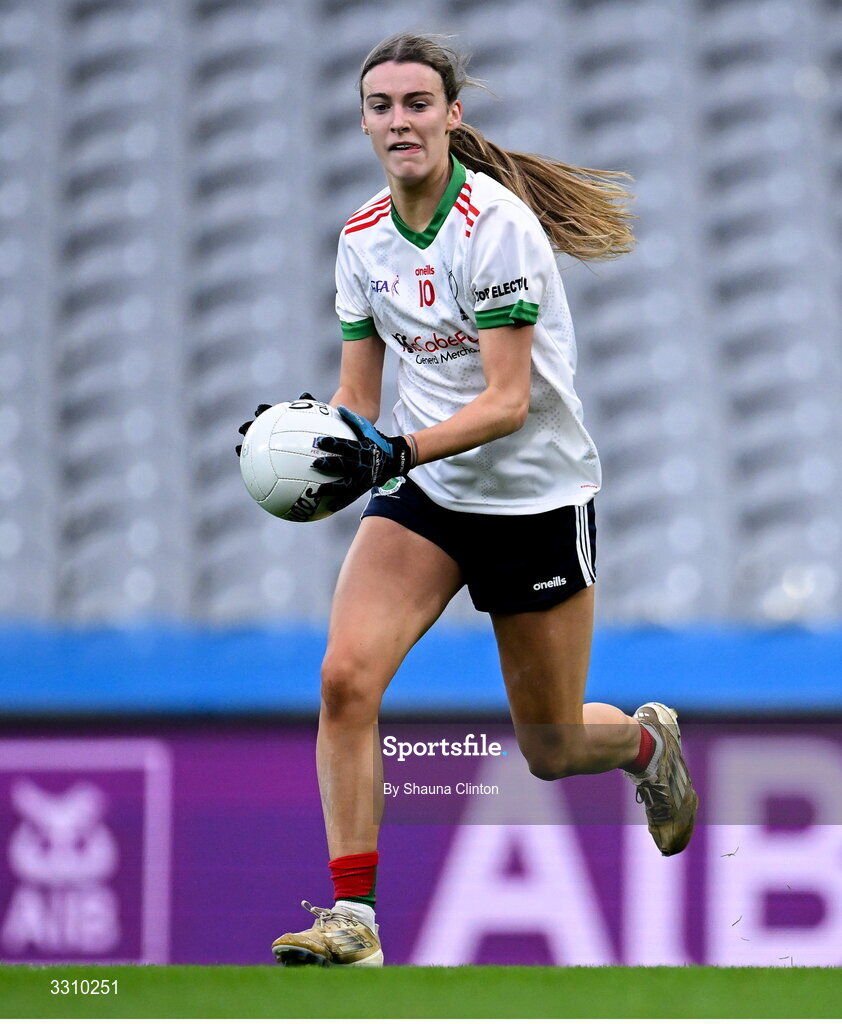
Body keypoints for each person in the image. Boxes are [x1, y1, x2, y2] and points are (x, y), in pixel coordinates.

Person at [248, 32, 698, 968]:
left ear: (451, 115)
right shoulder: (360, 239)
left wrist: (395, 449)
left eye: (418, 103)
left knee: (552, 747)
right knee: (344, 679)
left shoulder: (494, 226)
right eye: (381, 105)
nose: (399, 121)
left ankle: (644, 746)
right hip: (429, 494)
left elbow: (505, 402)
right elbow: (359, 397)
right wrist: (309, 440)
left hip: (534, 500)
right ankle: (354, 920)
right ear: (362, 122)